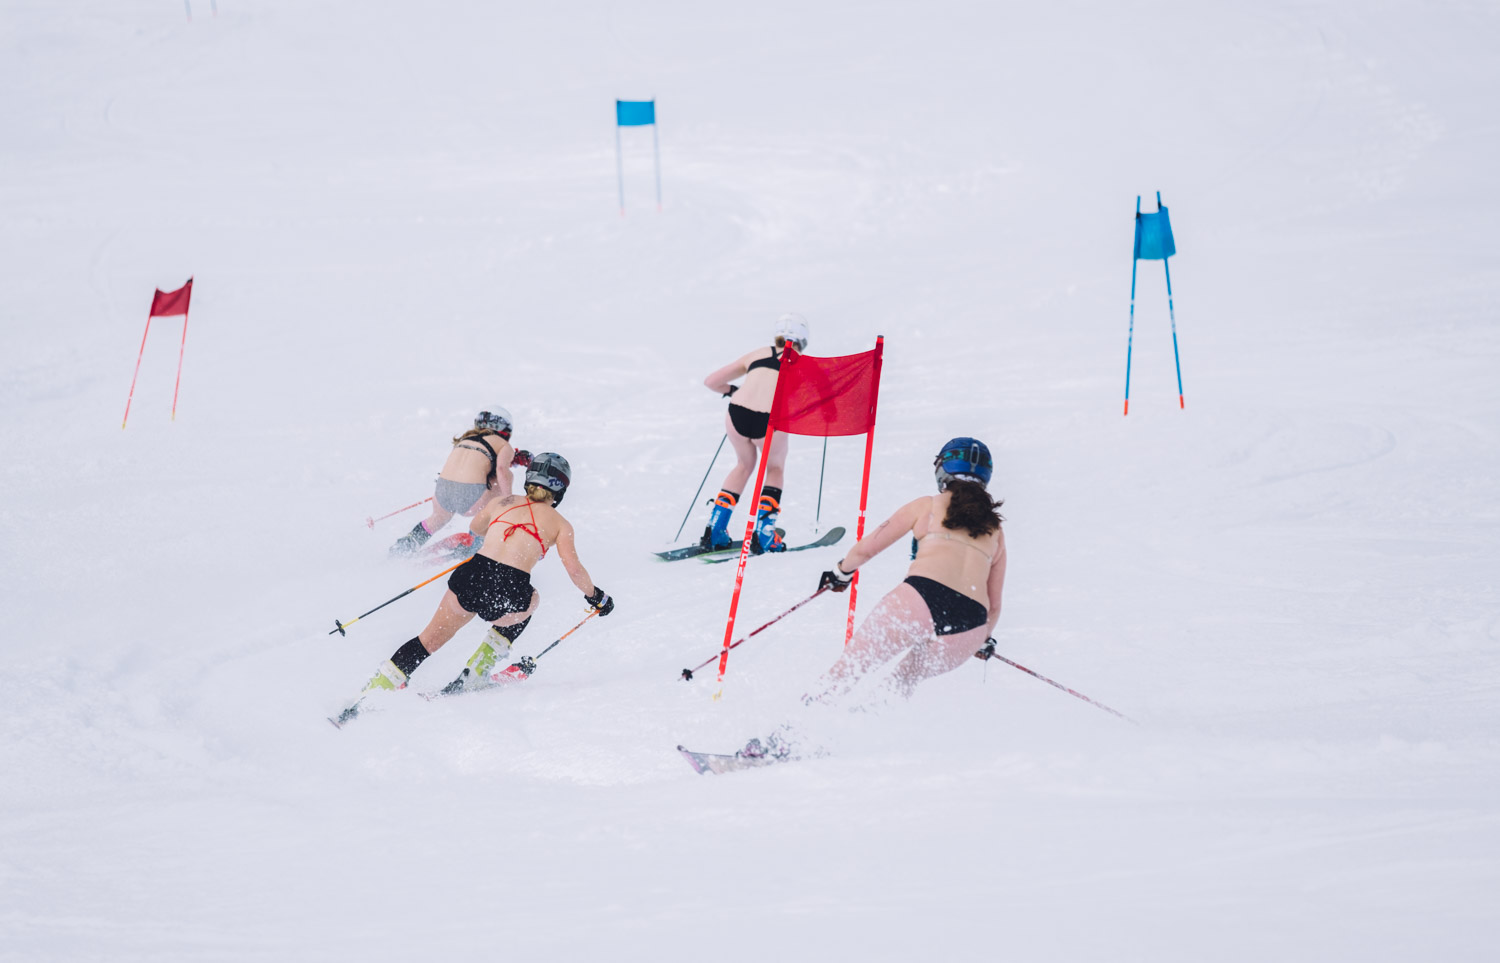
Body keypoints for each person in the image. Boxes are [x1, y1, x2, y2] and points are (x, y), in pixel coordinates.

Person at [737, 438, 1006, 761]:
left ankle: (784, 741)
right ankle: (849, 740)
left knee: (850, 669)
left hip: (922, 596)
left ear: (942, 469)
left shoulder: (928, 506)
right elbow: (994, 603)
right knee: (903, 682)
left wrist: (842, 572)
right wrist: (983, 638)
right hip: (970, 623)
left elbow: (870, 546)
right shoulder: (995, 530)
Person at [344, 453, 614, 715]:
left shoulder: (503, 502)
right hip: (510, 589)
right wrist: (596, 597)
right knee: (533, 600)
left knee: (428, 640)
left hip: (473, 575)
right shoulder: (561, 524)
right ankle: (478, 671)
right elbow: (574, 569)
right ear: (562, 489)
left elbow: (476, 527)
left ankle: (374, 690)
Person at [699, 314, 809, 554]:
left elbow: (711, 381)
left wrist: (732, 390)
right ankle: (765, 534)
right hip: (770, 420)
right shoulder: (801, 363)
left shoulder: (759, 353)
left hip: (737, 413)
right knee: (775, 468)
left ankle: (715, 530)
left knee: (743, 464)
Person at [389, 408, 531, 557]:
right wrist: (509, 500)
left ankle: (405, 546)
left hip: (442, 491)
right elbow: (501, 469)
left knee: (437, 519)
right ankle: (478, 540)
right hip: (471, 497)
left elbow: (472, 465)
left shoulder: (465, 440)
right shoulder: (503, 445)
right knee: (498, 483)